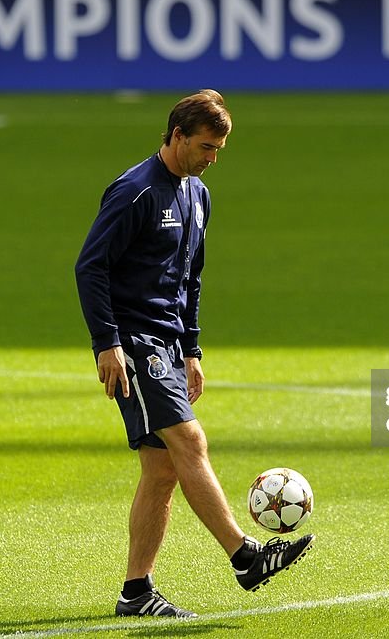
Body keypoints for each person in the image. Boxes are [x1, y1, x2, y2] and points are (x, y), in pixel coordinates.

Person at [75, 90, 314, 619]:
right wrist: (106, 343)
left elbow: (190, 278)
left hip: (167, 343)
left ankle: (135, 593)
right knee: (190, 439)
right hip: (134, 340)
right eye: (205, 146)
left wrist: (192, 347)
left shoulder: (197, 194)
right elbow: (90, 267)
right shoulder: (135, 193)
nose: (212, 158)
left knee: (161, 471)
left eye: (219, 150)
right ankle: (246, 556)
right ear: (176, 136)